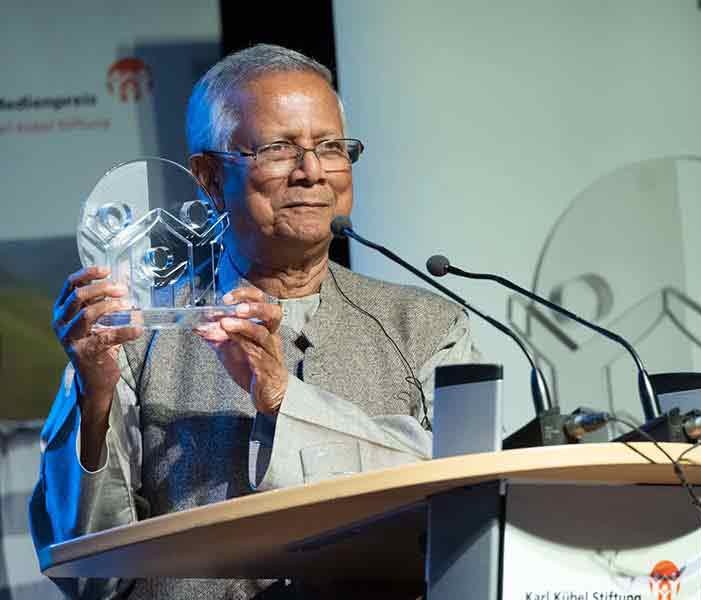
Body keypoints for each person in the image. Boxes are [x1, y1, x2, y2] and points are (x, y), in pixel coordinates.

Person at [30, 44, 478, 600]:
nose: (312, 172)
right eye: (278, 148)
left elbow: (465, 507)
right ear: (210, 177)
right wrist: (93, 401)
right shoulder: (135, 336)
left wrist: (282, 397)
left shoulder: (431, 324)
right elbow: (93, 575)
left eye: (331, 146)